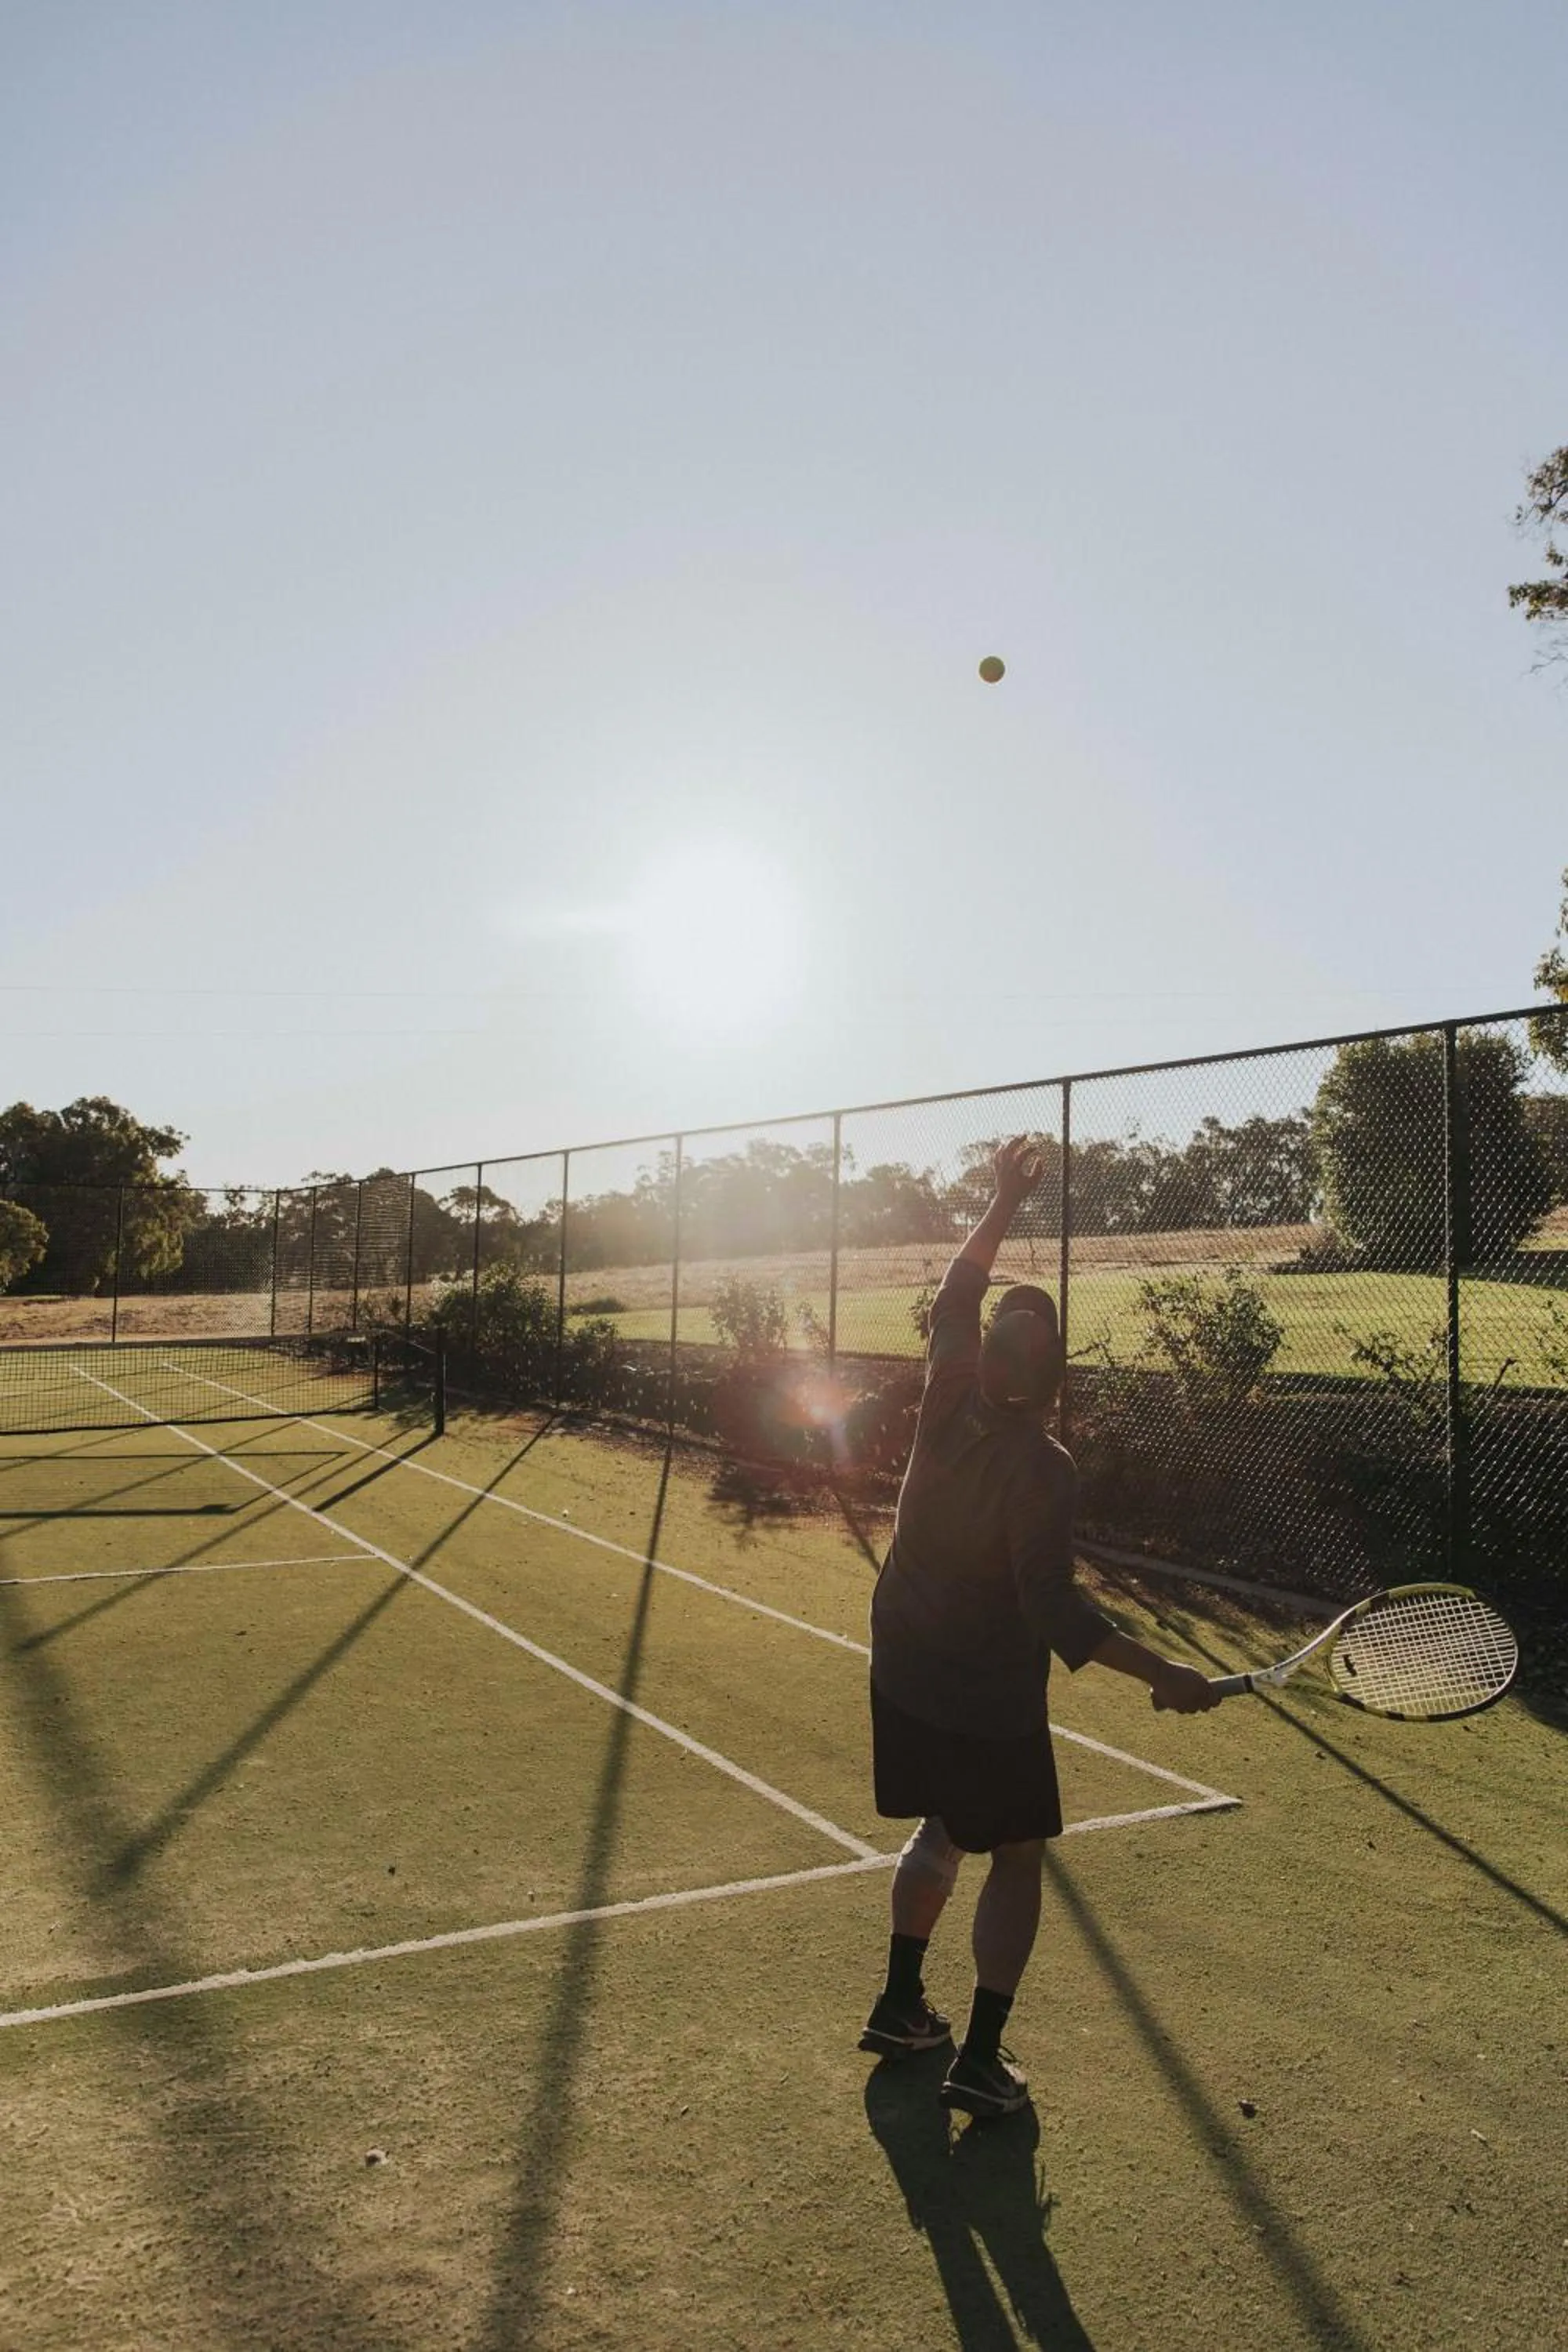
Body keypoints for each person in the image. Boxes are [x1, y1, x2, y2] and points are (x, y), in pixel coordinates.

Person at [861, 1135, 1219, 2119]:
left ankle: (899, 2006)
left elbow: (955, 1288)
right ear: (1055, 1372)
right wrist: (1162, 1672)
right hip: (982, 1699)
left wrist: (1003, 1198)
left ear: (983, 1358)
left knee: (943, 1822)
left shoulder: (943, 1394)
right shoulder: (1044, 1469)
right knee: (1015, 1854)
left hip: (900, 1669)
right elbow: (1051, 1608)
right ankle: (978, 2061)